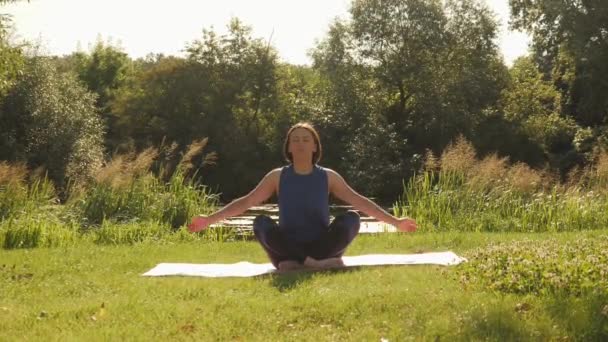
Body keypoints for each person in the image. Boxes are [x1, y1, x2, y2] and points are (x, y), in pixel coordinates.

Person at [188, 122, 417, 271]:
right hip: (286, 246)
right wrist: (209, 219)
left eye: (306, 139)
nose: (300, 143)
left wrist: (396, 222)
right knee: (260, 223)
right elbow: (246, 202)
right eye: (295, 139)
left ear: (315, 147)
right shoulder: (277, 176)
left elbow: (360, 201)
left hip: (321, 245)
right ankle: (314, 264)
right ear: (288, 148)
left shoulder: (329, 177)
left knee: (352, 218)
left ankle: (302, 263)